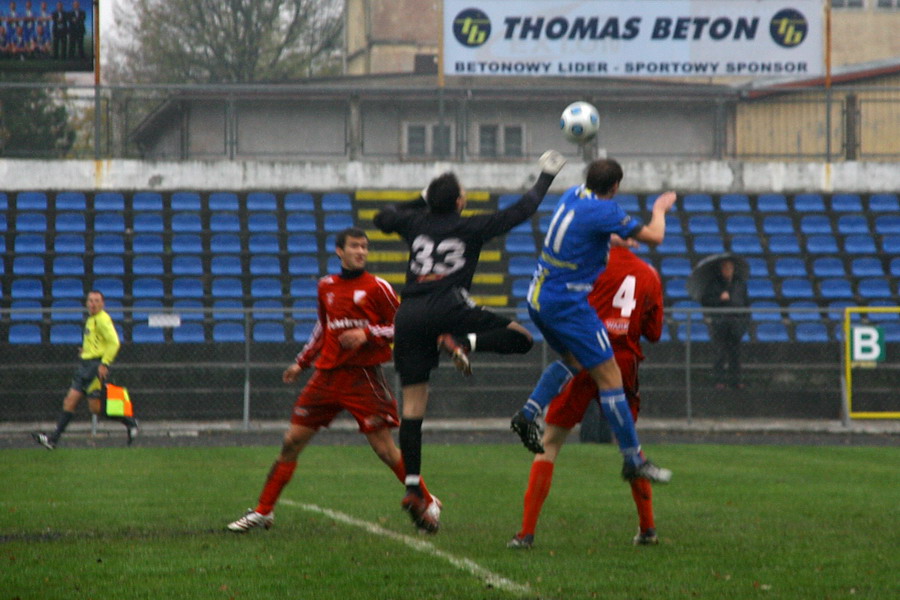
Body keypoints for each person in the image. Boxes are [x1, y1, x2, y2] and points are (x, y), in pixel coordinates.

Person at [373, 150, 566, 531]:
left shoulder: (414, 222)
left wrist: (420, 200)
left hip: (408, 313)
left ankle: (413, 488)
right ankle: (463, 341)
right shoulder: (470, 226)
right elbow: (522, 210)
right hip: (448, 305)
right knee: (522, 338)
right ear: (460, 202)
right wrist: (546, 175)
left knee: (413, 407)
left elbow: (381, 217)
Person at [227, 228, 442, 534]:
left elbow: (403, 326)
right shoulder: (326, 286)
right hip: (326, 377)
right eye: (355, 246)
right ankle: (264, 511)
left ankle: (427, 498)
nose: (361, 252)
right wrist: (301, 362)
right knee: (291, 442)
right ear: (339, 251)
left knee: (384, 449)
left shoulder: (377, 287)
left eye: (365, 247)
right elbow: (323, 327)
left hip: (363, 377)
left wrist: (366, 334)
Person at [510, 159, 675, 484]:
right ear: (615, 187)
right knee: (610, 376)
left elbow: (583, 231)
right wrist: (660, 208)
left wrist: (615, 240)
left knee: (572, 359)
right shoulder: (607, 211)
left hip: (538, 296)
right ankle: (633, 458)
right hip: (567, 303)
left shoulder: (574, 195)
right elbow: (656, 237)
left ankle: (528, 413)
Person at [509, 245, 665, 549]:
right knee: (630, 445)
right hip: (622, 361)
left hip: (584, 353)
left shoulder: (586, 264)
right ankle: (647, 528)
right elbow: (654, 332)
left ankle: (526, 533)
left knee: (550, 441)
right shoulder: (649, 273)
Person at [32, 290, 138, 449]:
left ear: (102, 304)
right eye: (90, 301)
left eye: (96, 301)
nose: (93, 304)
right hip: (85, 366)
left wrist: (104, 364)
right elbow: (97, 342)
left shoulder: (103, 320)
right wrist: (86, 351)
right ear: (87, 303)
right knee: (70, 402)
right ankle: (53, 440)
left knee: (94, 408)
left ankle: (130, 422)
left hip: (95, 368)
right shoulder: (91, 319)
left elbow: (114, 342)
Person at [700, 257, 750, 389]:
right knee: (719, 353)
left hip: (735, 322)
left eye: (730, 268)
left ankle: (736, 380)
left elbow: (745, 303)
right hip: (720, 322)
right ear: (721, 270)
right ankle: (719, 380)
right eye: (725, 268)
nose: (728, 271)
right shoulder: (714, 284)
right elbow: (706, 301)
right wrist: (719, 299)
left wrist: (744, 321)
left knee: (736, 354)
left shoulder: (740, 284)